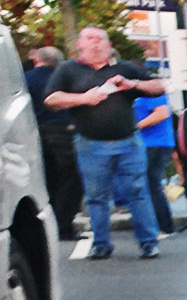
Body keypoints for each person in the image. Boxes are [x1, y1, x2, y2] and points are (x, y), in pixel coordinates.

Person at [42, 27, 165, 259]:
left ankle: (149, 242)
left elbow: (159, 87)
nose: (96, 43)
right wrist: (83, 99)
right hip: (91, 144)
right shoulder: (68, 69)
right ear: (79, 44)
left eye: (100, 39)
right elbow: (51, 99)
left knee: (138, 192)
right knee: (96, 197)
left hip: (129, 142)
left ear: (109, 46)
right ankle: (101, 244)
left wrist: (133, 84)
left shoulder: (124, 68)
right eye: (90, 38)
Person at [23, 46, 84, 240]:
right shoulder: (66, 78)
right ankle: (63, 225)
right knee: (70, 180)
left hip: (37, 133)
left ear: (36, 60)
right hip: (65, 132)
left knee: (46, 180)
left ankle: (44, 226)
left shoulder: (27, 78)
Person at [132, 91, 180, 236]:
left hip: (155, 143)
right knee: (147, 184)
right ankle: (157, 224)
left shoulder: (152, 91)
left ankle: (164, 225)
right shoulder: (136, 93)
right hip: (146, 143)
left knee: (151, 184)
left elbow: (162, 113)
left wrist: (134, 127)